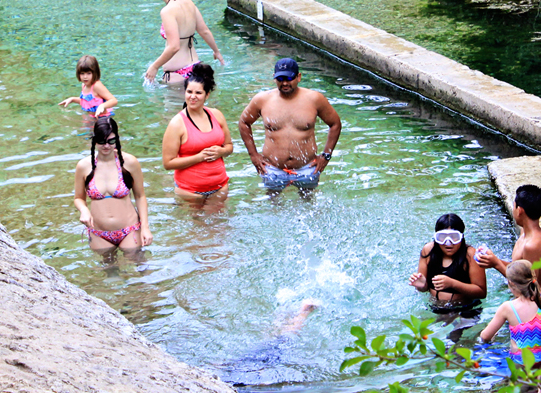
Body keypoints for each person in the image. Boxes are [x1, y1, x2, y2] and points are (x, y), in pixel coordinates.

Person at [238, 57, 341, 192]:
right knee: (274, 204)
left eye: (289, 79)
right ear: (274, 78)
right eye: (280, 79)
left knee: (308, 204)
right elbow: (244, 122)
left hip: (307, 167)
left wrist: (326, 156)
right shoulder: (262, 100)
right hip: (272, 167)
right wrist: (253, 155)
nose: (285, 83)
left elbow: (335, 124)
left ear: (298, 77)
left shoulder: (314, 99)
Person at [73, 118, 152, 259]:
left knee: (142, 271)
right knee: (110, 275)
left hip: (130, 229)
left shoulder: (130, 162)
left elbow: (140, 196)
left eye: (111, 141)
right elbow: (79, 198)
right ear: (94, 140)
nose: (106, 146)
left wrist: (145, 228)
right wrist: (84, 210)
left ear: (117, 139)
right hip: (99, 233)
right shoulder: (84, 166)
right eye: (102, 141)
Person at [479, 260, 541, 364]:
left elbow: (485, 336)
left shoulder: (508, 308)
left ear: (511, 283)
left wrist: (493, 336)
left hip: (520, 363)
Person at [161, 63, 233, 201]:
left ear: (207, 95)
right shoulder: (177, 124)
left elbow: (229, 146)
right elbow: (167, 163)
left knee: (222, 222)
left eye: (198, 93)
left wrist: (222, 152)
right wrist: (199, 157)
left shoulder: (217, 115)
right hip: (190, 192)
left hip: (220, 186)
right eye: (189, 92)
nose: (192, 96)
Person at [145, 0, 225, 84]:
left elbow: (174, 47)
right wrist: (216, 51)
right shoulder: (188, 1)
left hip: (177, 74)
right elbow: (204, 31)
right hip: (195, 68)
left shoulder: (167, 11)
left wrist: (154, 66)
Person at [409, 214, 487, 314]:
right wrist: (422, 285)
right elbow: (424, 289)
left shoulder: (470, 255)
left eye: (454, 237)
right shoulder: (428, 251)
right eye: (442, 237)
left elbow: (481, 292)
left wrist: (452, 284)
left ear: (462, 237)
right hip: (434, 307)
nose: (448, 243)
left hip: (465, 309)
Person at [476, 184, 541, 288]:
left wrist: (497, 264)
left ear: (520, 210)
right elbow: (519, 270)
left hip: (533, 302)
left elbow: (530, 287)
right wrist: (492, 260)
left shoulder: (532, 245)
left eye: (514, 206)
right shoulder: (524, 232)